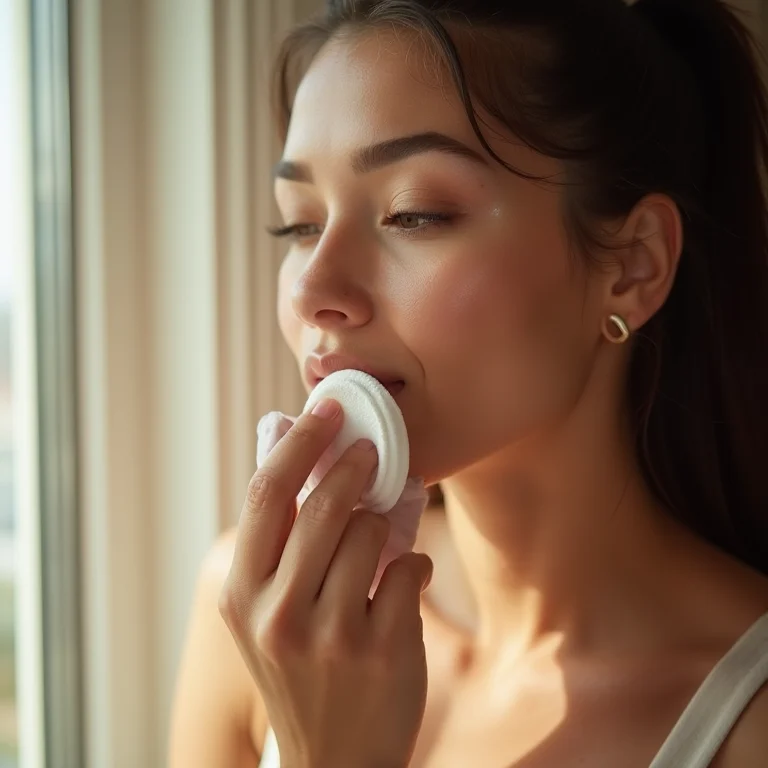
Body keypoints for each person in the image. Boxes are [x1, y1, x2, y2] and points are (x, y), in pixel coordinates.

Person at [168, 0, 768, 765]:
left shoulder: (748, 725)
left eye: (414, 214)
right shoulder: (267, 616)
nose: (314, 287)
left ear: (633, 265)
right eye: (302, 224)